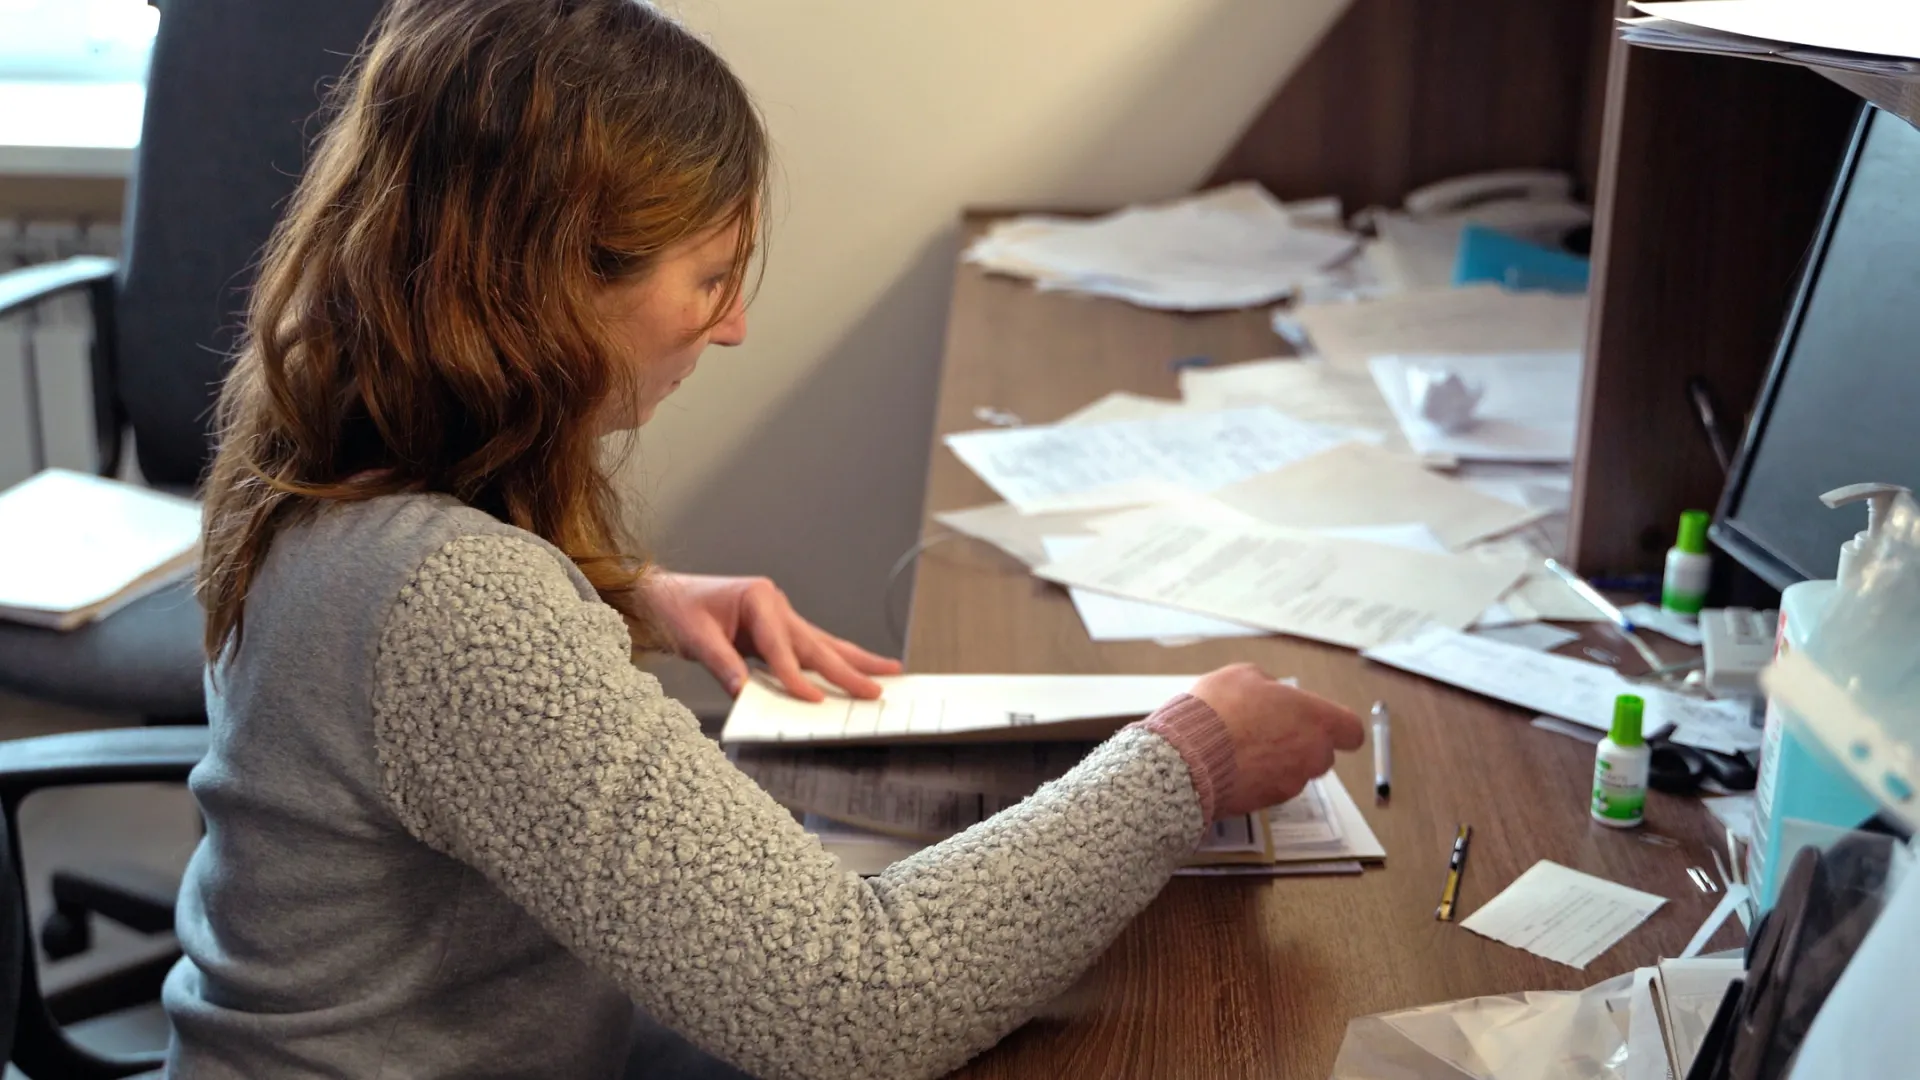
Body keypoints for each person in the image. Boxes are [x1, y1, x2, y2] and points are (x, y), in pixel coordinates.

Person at [162, 1, 1366, 1077]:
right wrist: (1189, 761)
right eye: (708, 277)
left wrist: (621, 593)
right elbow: (858, 1010)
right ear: (551, 281)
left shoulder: (314, 450)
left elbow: (381, 651)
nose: (733, 324)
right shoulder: (454, 603)